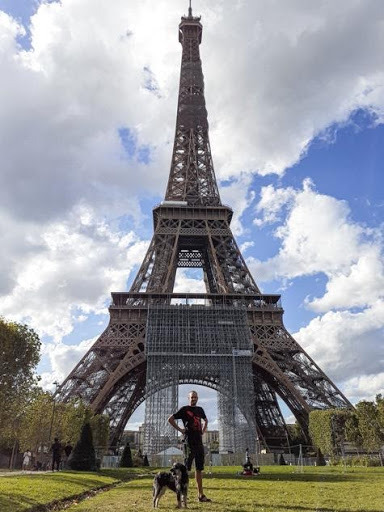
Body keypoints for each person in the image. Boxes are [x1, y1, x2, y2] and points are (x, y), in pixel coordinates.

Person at [168, 390, 211, 503]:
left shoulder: (200, 410)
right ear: (189, 398)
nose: (194, 399)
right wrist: (181, 430)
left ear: (197, 398)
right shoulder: (184, 409)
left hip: (199, 442)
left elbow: (206, 420)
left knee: (199, 469)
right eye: (192, 397)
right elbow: (170, 419)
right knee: (185, 470)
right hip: (188, 442)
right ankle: (183, 495)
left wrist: (203, 430)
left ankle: (200, 495)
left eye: (195, 397)